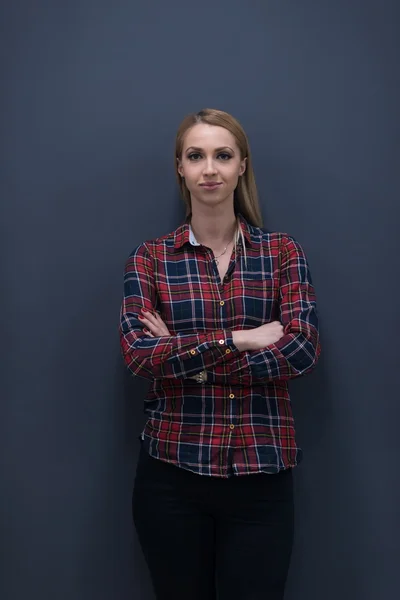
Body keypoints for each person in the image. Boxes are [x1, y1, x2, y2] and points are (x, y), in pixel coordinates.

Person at [119, 108, 320, 600]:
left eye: (222, 155)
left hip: (261, 472)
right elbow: (140, 356)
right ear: (180, 169)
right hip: (171, 473)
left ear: (241, 167)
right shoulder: (150, 258)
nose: (210, 168)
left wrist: (188, 359)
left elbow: (302, 350)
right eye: (196, 156)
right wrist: (240, 339)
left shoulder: (281, 253)